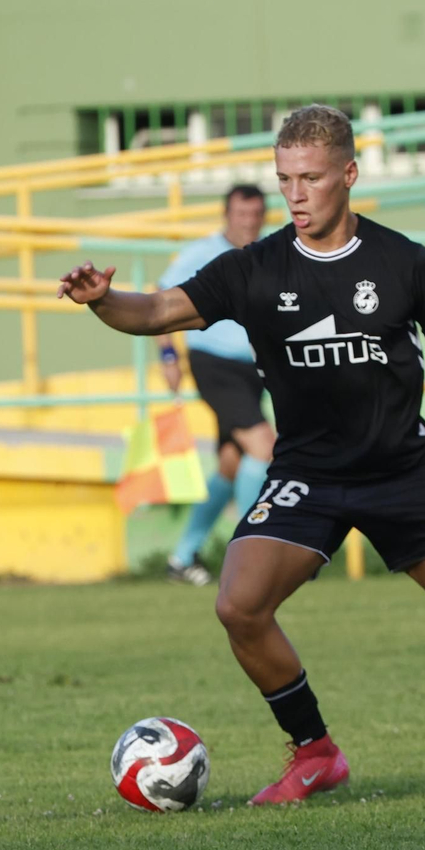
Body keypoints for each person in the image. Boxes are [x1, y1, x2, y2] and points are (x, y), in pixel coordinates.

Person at [57, 104, 425, 803]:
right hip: (308, 476)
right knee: (238, 605)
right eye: (285, 178)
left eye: (310, 178)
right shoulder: (253, 269)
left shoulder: (405, 263)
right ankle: (315, 752)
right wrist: (102, 302)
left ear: (347, 175)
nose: (295, 195)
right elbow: (159, 311)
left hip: (403, 473)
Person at [157, 185, 276, 585]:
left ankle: (182, 557)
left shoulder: (268, 252)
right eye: (242, 214)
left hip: (254, 370)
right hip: (213, 366)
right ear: (227, 215)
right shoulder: (200, 253)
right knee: (265, 447)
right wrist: (168, 356)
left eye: (256, 214)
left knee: (232, 461)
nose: (249, 221)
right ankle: (250, 557)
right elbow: (161, 297)